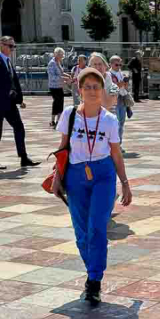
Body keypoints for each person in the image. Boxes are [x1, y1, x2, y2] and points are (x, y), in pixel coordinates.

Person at [52, 67, 132, 305]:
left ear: (102, 90)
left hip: (103, 175)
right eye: (87, 87)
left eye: (96, 87)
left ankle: (94, 280)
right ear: (79, 90)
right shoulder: (69, 115)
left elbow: (116, 153)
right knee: (82, 233)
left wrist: (125, 183)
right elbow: (63, 147)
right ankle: (92, 270)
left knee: (97, 227)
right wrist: (57, 177)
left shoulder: (109, 120)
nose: (92, 91)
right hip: (75, 176)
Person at [0, 36, 40, 171]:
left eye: (14, 46)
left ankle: (23, 158)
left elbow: (13, 82)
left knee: (19, 127)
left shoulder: (8, 61)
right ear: (2, 45)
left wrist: (19, 100)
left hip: (10, 103)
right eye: (10, 46)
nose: (12, 49)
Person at [109, 55, 133, 153]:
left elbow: (126, 88)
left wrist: (126, 83)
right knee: (116, 123)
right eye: (116, 65)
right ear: (111, 64)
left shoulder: (121, 73)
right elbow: (112, 88)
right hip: (114, 100)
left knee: (121, 123)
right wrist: (121, 83)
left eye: (120, 64)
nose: (119, 66)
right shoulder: (109, 75)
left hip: (122, 99)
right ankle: (114, 145)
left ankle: (118, 144)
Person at [48, 47, 69, 128]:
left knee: (60, 102)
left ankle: (58, 120)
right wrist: (64, 78)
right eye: (60, 55)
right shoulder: (52, 63)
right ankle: (53, 120)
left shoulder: (58, 62)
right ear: (56, 54)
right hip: (53, 86)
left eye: (62, 55)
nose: (62, 56)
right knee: (57, 102)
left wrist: (68, 75)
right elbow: (52, 76)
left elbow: (61, 72)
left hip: (59, 85)